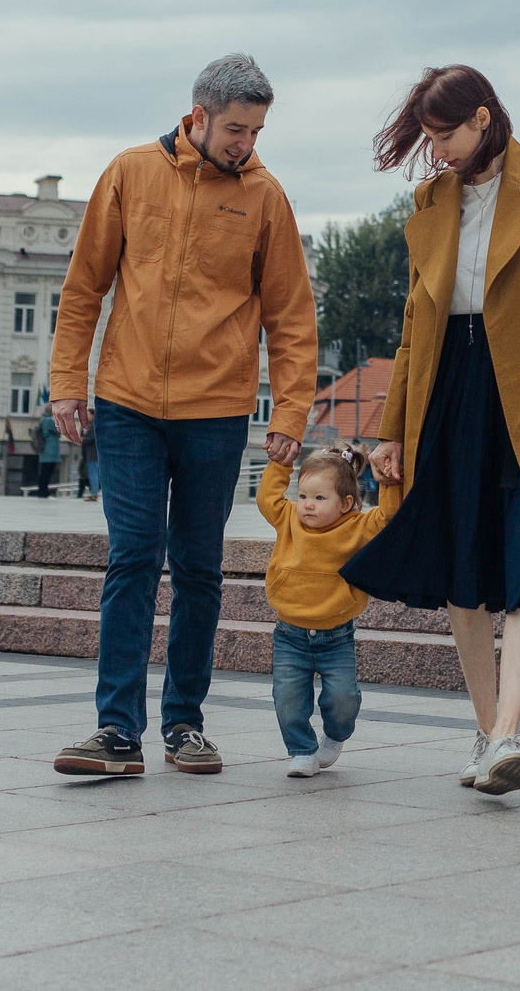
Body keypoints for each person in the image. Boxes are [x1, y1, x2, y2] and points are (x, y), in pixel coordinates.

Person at [343, 66, 520, 798]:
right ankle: (488, 728)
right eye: (427, 141)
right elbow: (413, 325)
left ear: (483, 116)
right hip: (450, 389)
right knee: (463, 568)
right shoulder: (435, 198)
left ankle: (507, 734)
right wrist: (392, 429)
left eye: (444, 136)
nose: (437, 152)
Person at [46, 54, 317, 778]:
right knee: (134, 555)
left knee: (198, 567)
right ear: (196, 116)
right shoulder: (130, 172)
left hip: (218, 409)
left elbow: (292, 315)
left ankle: (186, 724)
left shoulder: (266, 197)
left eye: (256, 130)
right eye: (235, 128)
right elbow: (83, 289)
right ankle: (116, 730)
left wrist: (290, 409)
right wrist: (68, 382)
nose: (246, 143)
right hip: (127, 401)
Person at [257, 442, 401, 777]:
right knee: (287, 698)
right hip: (290, 634)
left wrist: (389, 484)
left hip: (336, 636)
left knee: (343, 699)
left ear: (346, 503)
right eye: (304, 495)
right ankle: (302, 751)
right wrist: (281, 465)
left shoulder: (356, 526)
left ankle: (335, 736)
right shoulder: (288, 518)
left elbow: (388, 516)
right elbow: (268, 499)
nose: (307, 505)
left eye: (320, 499)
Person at [33, 411, 61, 497]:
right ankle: (44, 491)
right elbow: (58, 430)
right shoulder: (49, 420)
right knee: (47, 471)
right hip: (50, 449)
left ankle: (42, 490)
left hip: (45, 450)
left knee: (44, 471)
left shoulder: (43, 420)